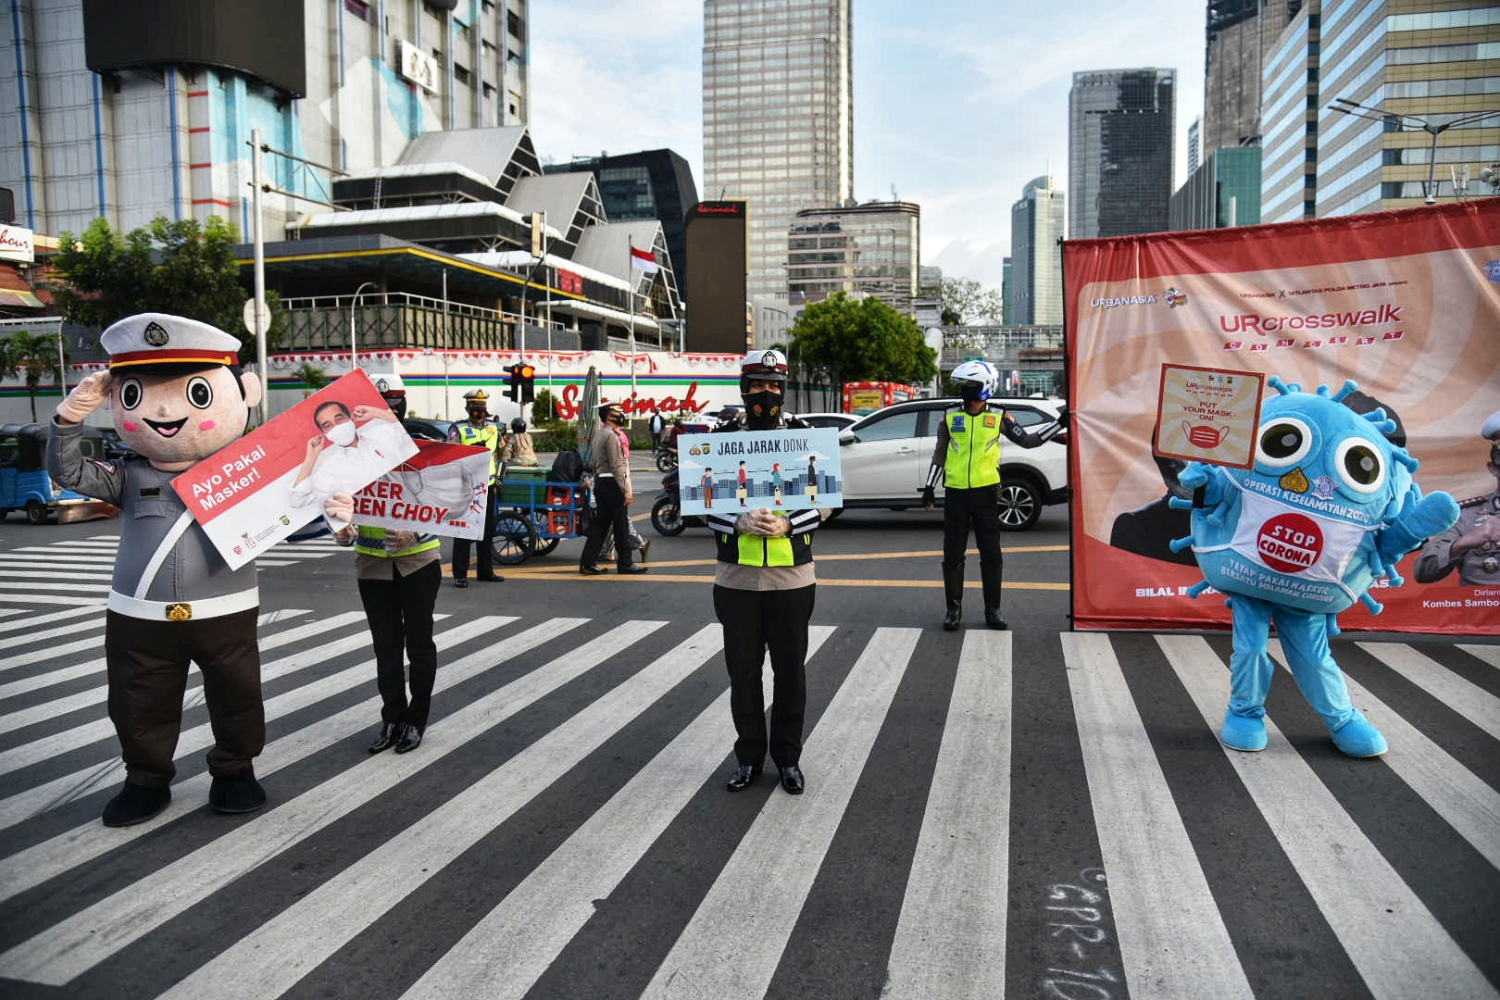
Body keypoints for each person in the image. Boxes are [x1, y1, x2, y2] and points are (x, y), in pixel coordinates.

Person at [47, 313, 269, 826]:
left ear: (244, 392)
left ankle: (235, 769)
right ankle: (146, 778)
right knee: (137, 698)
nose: (164, 412)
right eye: (135, 395)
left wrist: (337, 515)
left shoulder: (247, 470)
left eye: (196, 393)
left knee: (237, 693)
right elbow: (71, 472)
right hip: (138, 614)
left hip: (225, 609)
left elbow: (296, 506)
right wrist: (66, 421)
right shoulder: (128, 473)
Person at [710, 349, 821, 796]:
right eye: (758, 384)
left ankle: (788, 759)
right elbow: (703, 502)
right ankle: (748, 758)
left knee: (791, 672)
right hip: (736, 579)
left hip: (792, 577)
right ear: (744, 387)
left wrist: (789, 523)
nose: (766, 394)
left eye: (774, 385)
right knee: (743, 673)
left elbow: (827, 501)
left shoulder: (805, 436)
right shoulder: (722, 438)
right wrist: (735, 521)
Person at [922, 358, 1065, 631]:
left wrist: (1058, 424)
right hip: (956, 494)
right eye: (964, 385)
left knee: (991, 555)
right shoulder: (950, 415)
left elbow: (1028, 440)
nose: (966, 391)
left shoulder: (999, 416)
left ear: (985, 387)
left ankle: (993, 610)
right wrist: (929, 487)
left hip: (987, 494)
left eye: (971, 385)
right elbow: (940, 454)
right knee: (952, 554)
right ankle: (953, 610)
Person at [323, 492, 440, 755]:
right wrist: (341, 529)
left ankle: (416, 720)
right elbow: (337, 500)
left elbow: (446, 499)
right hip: (371, 562)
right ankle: (392, 719)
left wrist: (415, 531)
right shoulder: (351, 459)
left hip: (418, 559)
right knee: (385, 647)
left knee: (419, 644)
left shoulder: (420, 453)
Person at [1415, 409, 1500, 586]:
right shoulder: (1467, 516)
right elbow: (1423, 570)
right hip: (1481, 612)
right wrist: (1462, 544)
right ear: (1492, 468)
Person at [287, 400, 412, 510]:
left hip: (414, 508)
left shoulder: (382, 433)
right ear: (325, 434)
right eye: (328, 425)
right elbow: (297, 500)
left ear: (351, 418)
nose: (336, 426)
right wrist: (311, 457)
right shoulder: (330, 468)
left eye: (339, 418)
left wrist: (375, 413)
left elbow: (407, 432)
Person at [579, 400, 647, 575]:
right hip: (612, 484)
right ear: (610, 416)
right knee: (621, 525)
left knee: (600, 525)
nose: (622, 414)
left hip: (602, 483)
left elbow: (595, 465)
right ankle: (625, 563)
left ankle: (587, 563)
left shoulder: (599, 435)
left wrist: (595, 482)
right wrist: (626, 490)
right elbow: (618, 466)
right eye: (619, 412)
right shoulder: (611, 436)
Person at [447, 389, 503, 588]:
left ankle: (485, 571)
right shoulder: (458, 429)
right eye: (475, 406)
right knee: (463, 531)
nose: (479, 410)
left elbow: (503, 452)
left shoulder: (494, 429)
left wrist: (499, 478)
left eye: (481, 406)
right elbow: (450, 456)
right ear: (467, 408)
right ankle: (460, 574)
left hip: (487, 486)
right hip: (466, 487)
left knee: (486, 531)